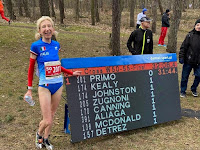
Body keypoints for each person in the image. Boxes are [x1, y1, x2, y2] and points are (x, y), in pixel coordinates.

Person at [24, 16, 81, 150]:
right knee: (47, 119)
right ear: (39, 30)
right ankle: (38, 134)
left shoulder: (56, 45)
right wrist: (29, 89)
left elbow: (56, 65)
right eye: (43, 27)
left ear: (53, 29)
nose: (47, 29)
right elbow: (31, 68)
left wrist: (71, 73)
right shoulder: (36, 46)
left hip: (58, 84)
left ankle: (46, 138)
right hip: (44, 86)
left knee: (53, 114)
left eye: (49, 26)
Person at [179, 19, 200, 98]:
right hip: (188, 60)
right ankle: (183, 90)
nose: (199, 27)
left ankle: (193, 88)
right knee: (185, 76)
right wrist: (181, 57)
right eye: (197, 25)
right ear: (195, 26)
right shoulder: (189, 35)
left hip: (198, 62)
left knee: (199, 76)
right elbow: (183, 47)